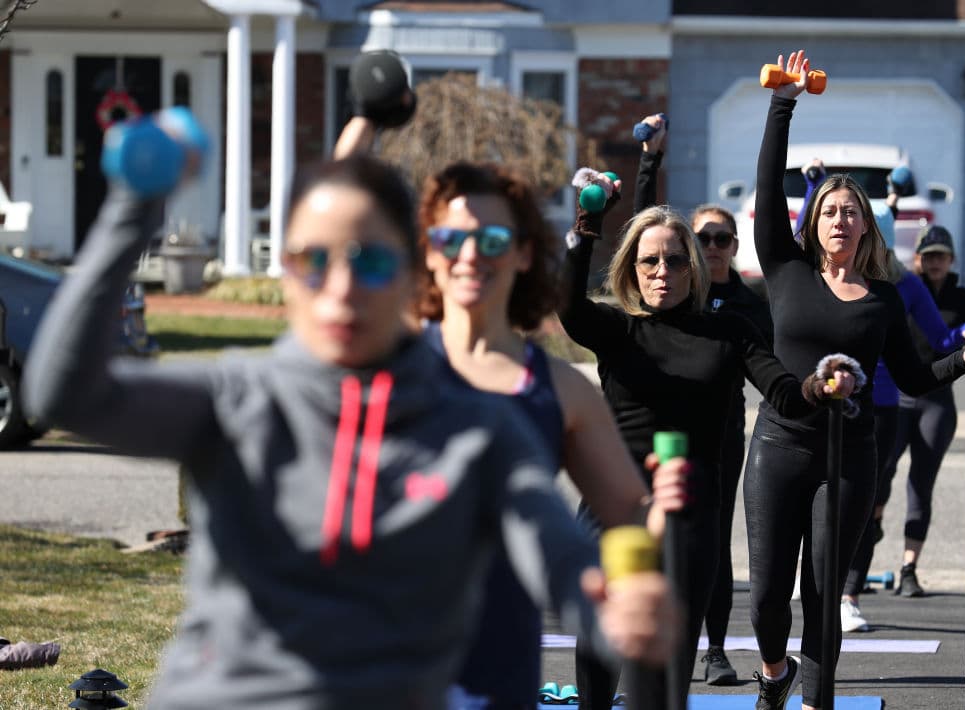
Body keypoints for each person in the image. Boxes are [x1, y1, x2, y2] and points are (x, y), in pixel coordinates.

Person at [22, 151, 679, 710]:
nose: (339, 289)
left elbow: (558, 547)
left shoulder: (477, 428)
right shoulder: (237, 397)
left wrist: (612, 603)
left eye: (368, 262)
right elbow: (63, 392)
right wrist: (134, 207)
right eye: (314, 261)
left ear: (404, 268)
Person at [332, 119, 684, 707]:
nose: (470, 256)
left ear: (523, 254)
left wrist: (662, 513)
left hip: (497, 674)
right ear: (428, 251)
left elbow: (629, 516)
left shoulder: (562, 390)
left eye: (493, 241)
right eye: (450, 240)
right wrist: (365, 122)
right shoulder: (383, 369)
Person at [747, 49, 965, 710]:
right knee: (770, 596)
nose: (840, 218)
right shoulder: (785, 268)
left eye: (850, 211)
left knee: (824, 590)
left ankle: (817, 698)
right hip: (779, 447)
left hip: (849, 456)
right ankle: (775, 673)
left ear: (866, 226)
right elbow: (769, 188)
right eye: (829, 209)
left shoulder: (885, 298)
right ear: (813, 222)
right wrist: (784, 103)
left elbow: (916, 374)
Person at [559, 163, 860, 706]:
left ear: (693, 267)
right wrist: (587, 224)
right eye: (649, 261)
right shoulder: (617, 328)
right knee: (599, 653)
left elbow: (787, 395)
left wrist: (823, 386)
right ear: (631, 267)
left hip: (690, 510)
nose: (662, 272)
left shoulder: (728, 331)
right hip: (613, 502)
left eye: (675, 260)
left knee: (668, 673)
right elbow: (568, 308)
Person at [794, 162, 965, 632]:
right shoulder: (815, 274)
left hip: (882, 406)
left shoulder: (903, 285)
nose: (847, 230)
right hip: (824, 401)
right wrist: (814, 185)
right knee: (813, 497)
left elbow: (939, 343)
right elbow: (797, 237)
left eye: (860, 223)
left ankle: (849, 594)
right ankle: (813, 576)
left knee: (870, 503)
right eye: (839, 220)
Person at [633, 113, 772, 685]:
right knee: (647, 534)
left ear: (733, 246)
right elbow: (643, 228)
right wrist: (650, 160)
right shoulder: (670, 292)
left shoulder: (747, 303)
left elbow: (772, 369)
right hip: (655, 428)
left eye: (722, 239)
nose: (712, 246)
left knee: (710, 541)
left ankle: (713, 649)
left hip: (718, 435)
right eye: (704, 238)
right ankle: (646, 652)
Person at [869, 225, 965, 601]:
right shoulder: (904, 287)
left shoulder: (964, 298)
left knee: (920, 486)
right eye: (929, 256)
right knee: (880, 473)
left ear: (951, 259)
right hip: (896, 395)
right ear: (918, 259)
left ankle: (909, 567)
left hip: (936, 400)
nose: (935, 263)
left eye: (941, 256)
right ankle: (869, 534)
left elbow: (963, 336)